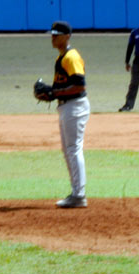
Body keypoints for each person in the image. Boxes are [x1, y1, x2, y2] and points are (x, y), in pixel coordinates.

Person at [48, 21, 90, 208]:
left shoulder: (71, 57)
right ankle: (76, 192)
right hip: (67, 107)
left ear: (67, 36)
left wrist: (54, 93)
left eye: (57, 34)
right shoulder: (62, 57)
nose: (53, 37)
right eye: (52, 34)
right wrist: (51, 92)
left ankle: (79, 195)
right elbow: (64, 85)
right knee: (68, 150)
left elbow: (80, 85)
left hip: (75, 107)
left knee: (73, 149)